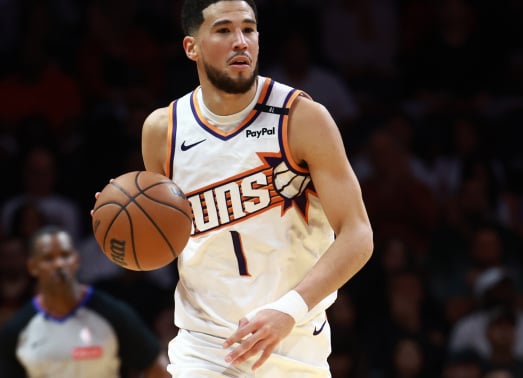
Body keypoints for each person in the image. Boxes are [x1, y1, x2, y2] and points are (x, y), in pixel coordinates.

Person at [139, 0, 374, 376]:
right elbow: (166, 244)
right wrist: (131, 223)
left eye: (248, 29)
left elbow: (358, 234)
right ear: (191, 47)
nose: (240, 42)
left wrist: (289, 309)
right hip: (204, 351)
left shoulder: (302, 118)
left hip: (295, 346)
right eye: (223, 30)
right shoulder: (162, 131)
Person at [0, 225, 169, 378]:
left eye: (65, 255)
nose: (59, 264)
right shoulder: (17, 328)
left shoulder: (112, 313)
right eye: (48, 258)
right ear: (32, 267)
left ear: (76, 260)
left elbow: (156, 365)